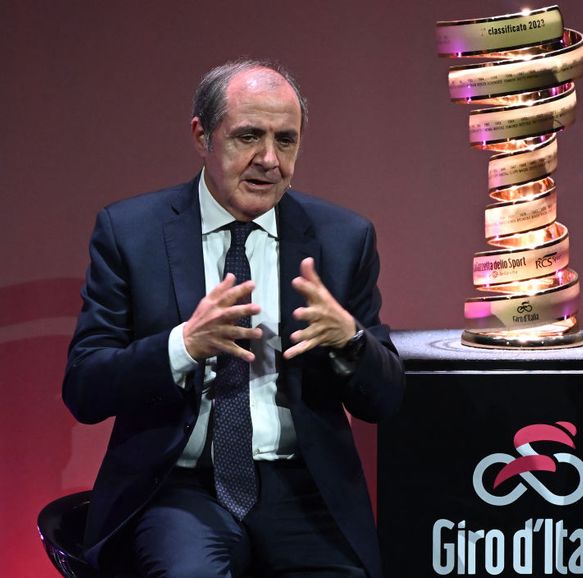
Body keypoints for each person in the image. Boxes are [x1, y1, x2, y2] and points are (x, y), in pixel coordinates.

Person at [62, 58, 405, 578]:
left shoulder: (342, 238)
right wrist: (183, 345)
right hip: (178, 487)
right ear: (203, 135)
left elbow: (386, 400)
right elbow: (85, 388)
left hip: (302, 487)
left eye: (286, 141)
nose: (269, 159)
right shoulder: (131, 233)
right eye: (249, 137)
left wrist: (351, 341)